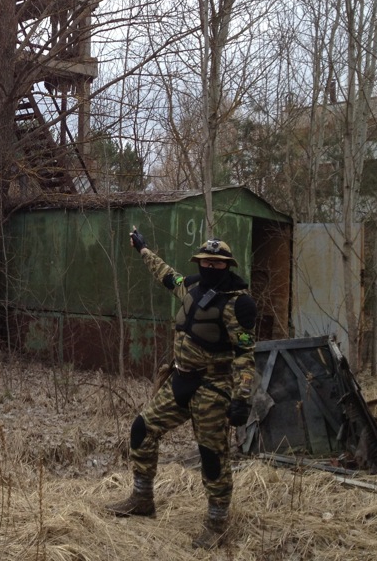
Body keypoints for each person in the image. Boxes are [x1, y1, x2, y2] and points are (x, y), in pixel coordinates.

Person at [104, 229, 257, 550]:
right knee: (142, 430)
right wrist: (143, 249)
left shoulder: (238, 304)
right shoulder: (190, 287)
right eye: (205, 262)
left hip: (213, 388)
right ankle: (142, 498)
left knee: (212, 457)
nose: (210, 268)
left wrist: (242, 398)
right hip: (180, 381)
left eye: (217, 264)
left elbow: (245, 354)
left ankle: (217, 524)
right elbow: (165, 273)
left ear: (228, 266)